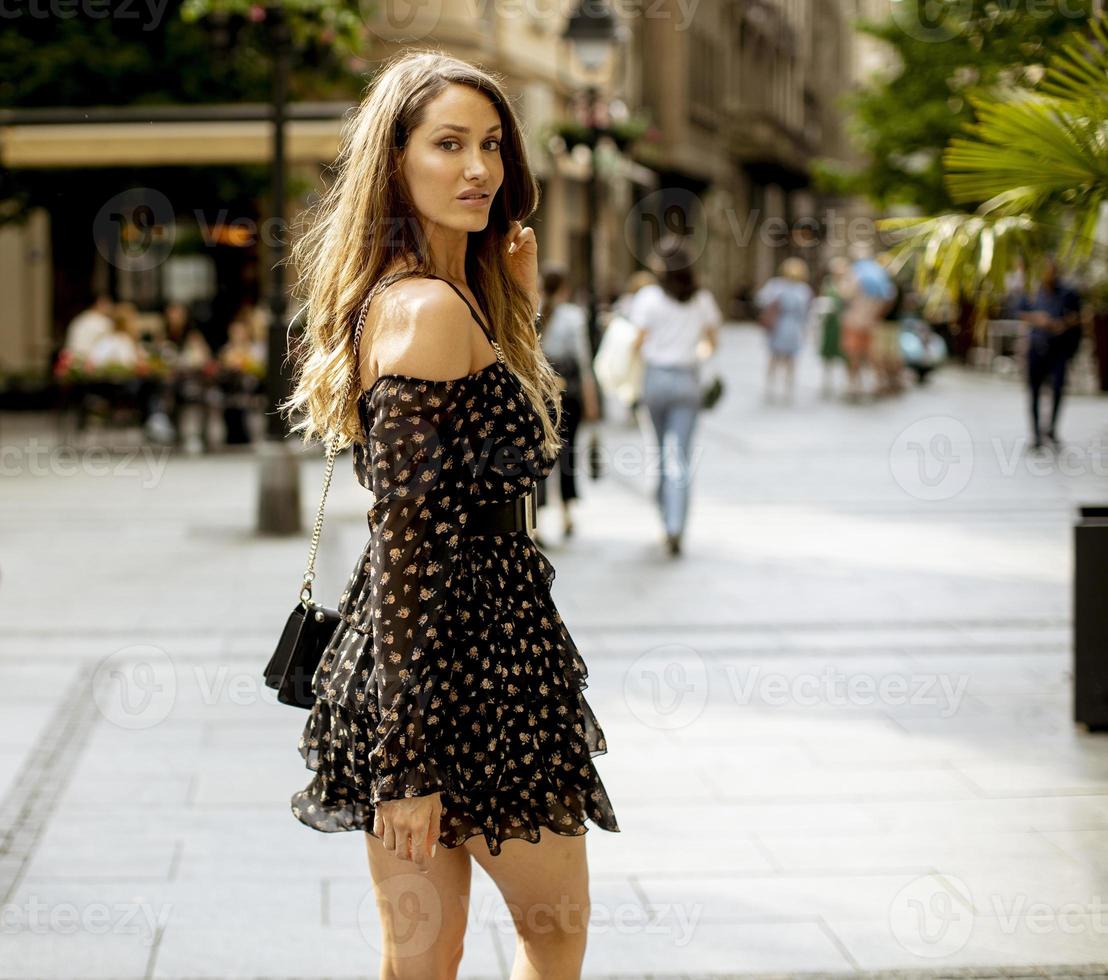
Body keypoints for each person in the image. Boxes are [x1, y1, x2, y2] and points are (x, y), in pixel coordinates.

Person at [278, 51, 619, 979]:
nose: (479, 169)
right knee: (551, 937)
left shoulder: (430, 295)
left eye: (493, 146)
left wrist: (519, 304)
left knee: (423, 960)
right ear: (396, 161)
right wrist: (409, 769)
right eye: (449, 145)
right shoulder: (425, 309)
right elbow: (409, 548)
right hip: (468, 667)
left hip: (452, 659)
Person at [627, 234, 721, 556]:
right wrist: (696, 353)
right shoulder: (702, 299)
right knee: (679, 455)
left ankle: (664, 513)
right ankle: (676, 524)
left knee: (658, 451)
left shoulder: (648, 298)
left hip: (656, 379)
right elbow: (711, 342)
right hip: (687, 379)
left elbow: (637, 343)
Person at [536, 263, 601, 541]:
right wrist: (592, 399)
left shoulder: (533, 313)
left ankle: (535, 522)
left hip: (539, 394)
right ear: (564, 288)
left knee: (538, 454)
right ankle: (566, 515)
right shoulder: (573, 316)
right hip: (568, 395)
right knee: (568, 452)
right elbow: (584, 362)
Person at [1017, 255, 1083, 450]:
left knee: (1058, 388)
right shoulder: (1033, 292)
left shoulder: (1068, 293)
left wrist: (1062, 324)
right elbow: (1019, 312)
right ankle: (1036, 434)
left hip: (1059, 348)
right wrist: (1039, 319)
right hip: (1037, 347)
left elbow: (1079, 316)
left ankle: (1052, 429)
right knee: (1034, 391)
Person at [755, 257, 814, 402]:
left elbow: (761, 299)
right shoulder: (798, 289)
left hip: (787, 326)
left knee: (783, 358)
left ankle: (779, 386)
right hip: (785, 325)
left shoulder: (780, 286)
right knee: (781, 358)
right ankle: (779, 387)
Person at [841, 245, 896, 400]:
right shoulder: (879, 273)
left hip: (855, 320)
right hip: (871, 321)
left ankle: (854, 384)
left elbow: (845, 294)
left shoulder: (855, 273)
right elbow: (889, 296)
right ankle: (877, 383)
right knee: (872, 355)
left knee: (854, 355)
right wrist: (877, 314)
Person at [816, 256, 852, 397]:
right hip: (830, 322)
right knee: (828, 353)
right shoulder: (828, 282)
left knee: (845, 352)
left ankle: (848, 382)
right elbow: (824, 297)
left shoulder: (848, 283)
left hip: (843, 322)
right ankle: (827, 381)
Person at [63, 294, 114, 361]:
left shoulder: (78, 319)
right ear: (100, 304)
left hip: (72, 362)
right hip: (89, 364)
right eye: (108, 304)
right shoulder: (103, 322)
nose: (110, 308)